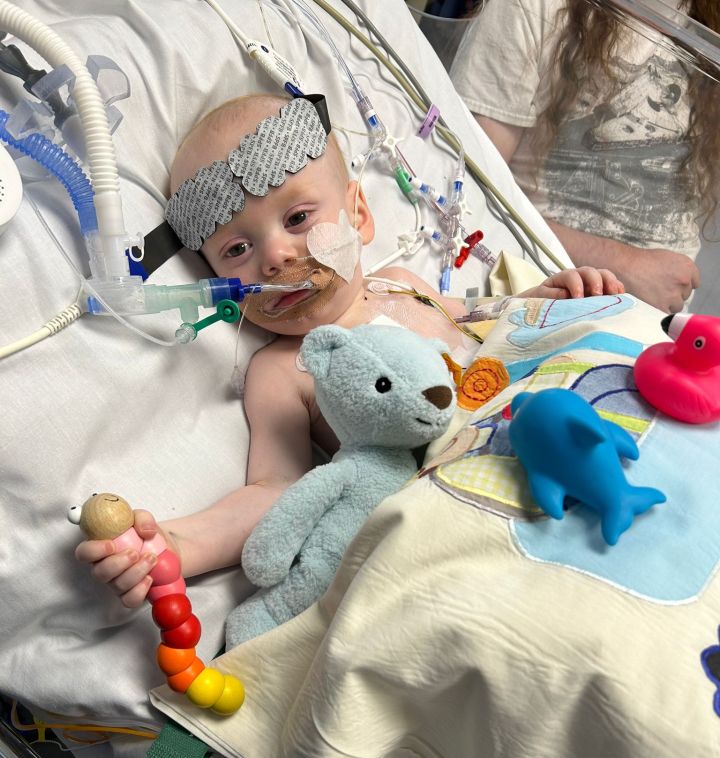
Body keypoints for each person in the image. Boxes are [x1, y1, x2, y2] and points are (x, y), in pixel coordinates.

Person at [75, 92, 624, 610]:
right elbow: (275, 490)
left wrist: (547, 299)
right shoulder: (284, 370)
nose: (275, 256)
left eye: (297, 219)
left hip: (535, 437)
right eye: (237, 248)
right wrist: (176, 543)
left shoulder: (402, 283)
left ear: (358, 215)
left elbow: (486, 328)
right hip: (455, 507)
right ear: (217, 281)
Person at [450, 0, 720, 314]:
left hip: (656, 330)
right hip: (531, 301)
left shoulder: (705, 23)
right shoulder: (534, 7)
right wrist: (623, 264)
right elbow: (461, 192)